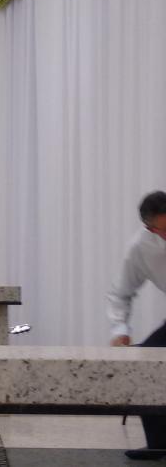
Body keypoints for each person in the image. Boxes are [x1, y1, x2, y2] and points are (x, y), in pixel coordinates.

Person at [107, 191, 166, 460]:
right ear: (149, 227)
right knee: (144, 364)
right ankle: (159, 444)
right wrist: (120, 329)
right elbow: (121, 292)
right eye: (163, 230)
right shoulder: (140, 247)